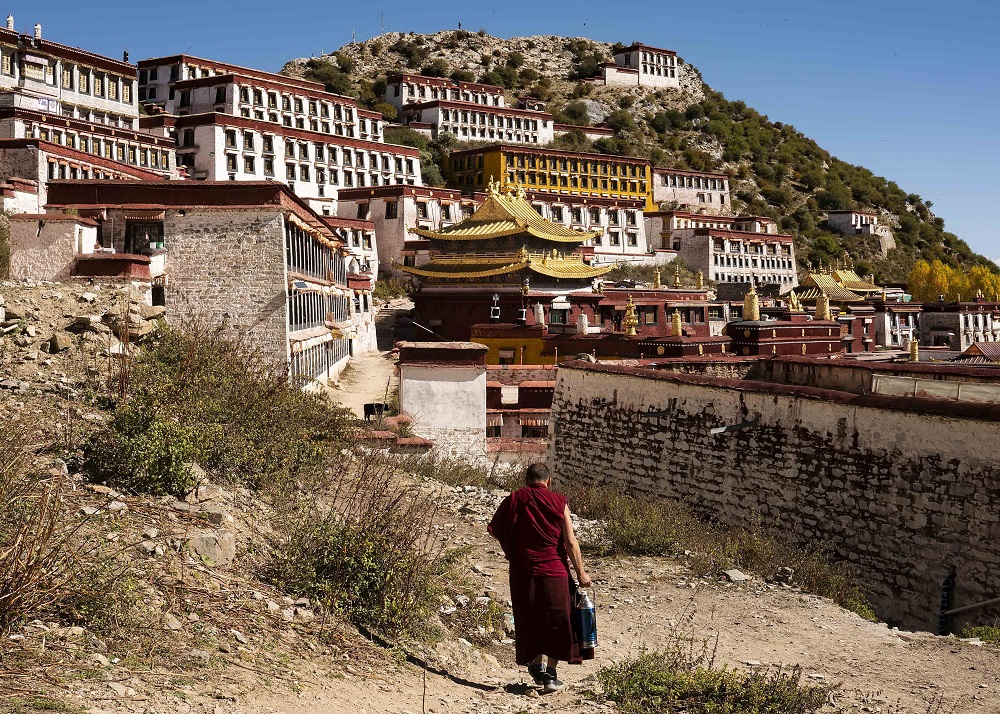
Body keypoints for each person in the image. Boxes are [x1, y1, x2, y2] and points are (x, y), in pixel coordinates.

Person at [488, 463, 593, 693]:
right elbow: (571, 542)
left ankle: (537, 666)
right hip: (555, 571)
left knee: (530, 617)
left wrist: (515, 553)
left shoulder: (515, 498)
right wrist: (581, 573)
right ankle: (550, 673)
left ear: (526, 481)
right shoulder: (559, 502)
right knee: (558, 620)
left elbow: (498, 530)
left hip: (524, 571)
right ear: (549, 480)